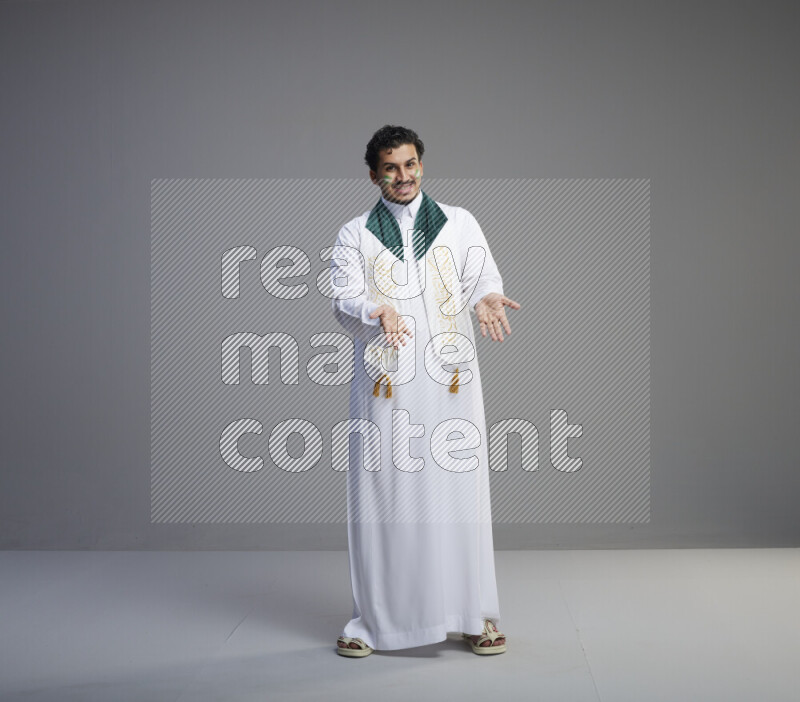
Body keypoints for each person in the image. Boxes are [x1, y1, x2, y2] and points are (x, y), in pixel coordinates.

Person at [328, 125, 520, 657]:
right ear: (374, 175)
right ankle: (378, 621)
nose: (403, 176)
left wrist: (487, 298)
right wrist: (377, 309)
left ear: (421, 165)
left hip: (451, 379)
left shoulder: (459, 223)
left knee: (459, 492)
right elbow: (343, 297)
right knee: (386, 495)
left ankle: (474, 614)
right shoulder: (354, 234)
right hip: (386, 380)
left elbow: (482, 276)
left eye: (410, 164)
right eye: (390, 168)